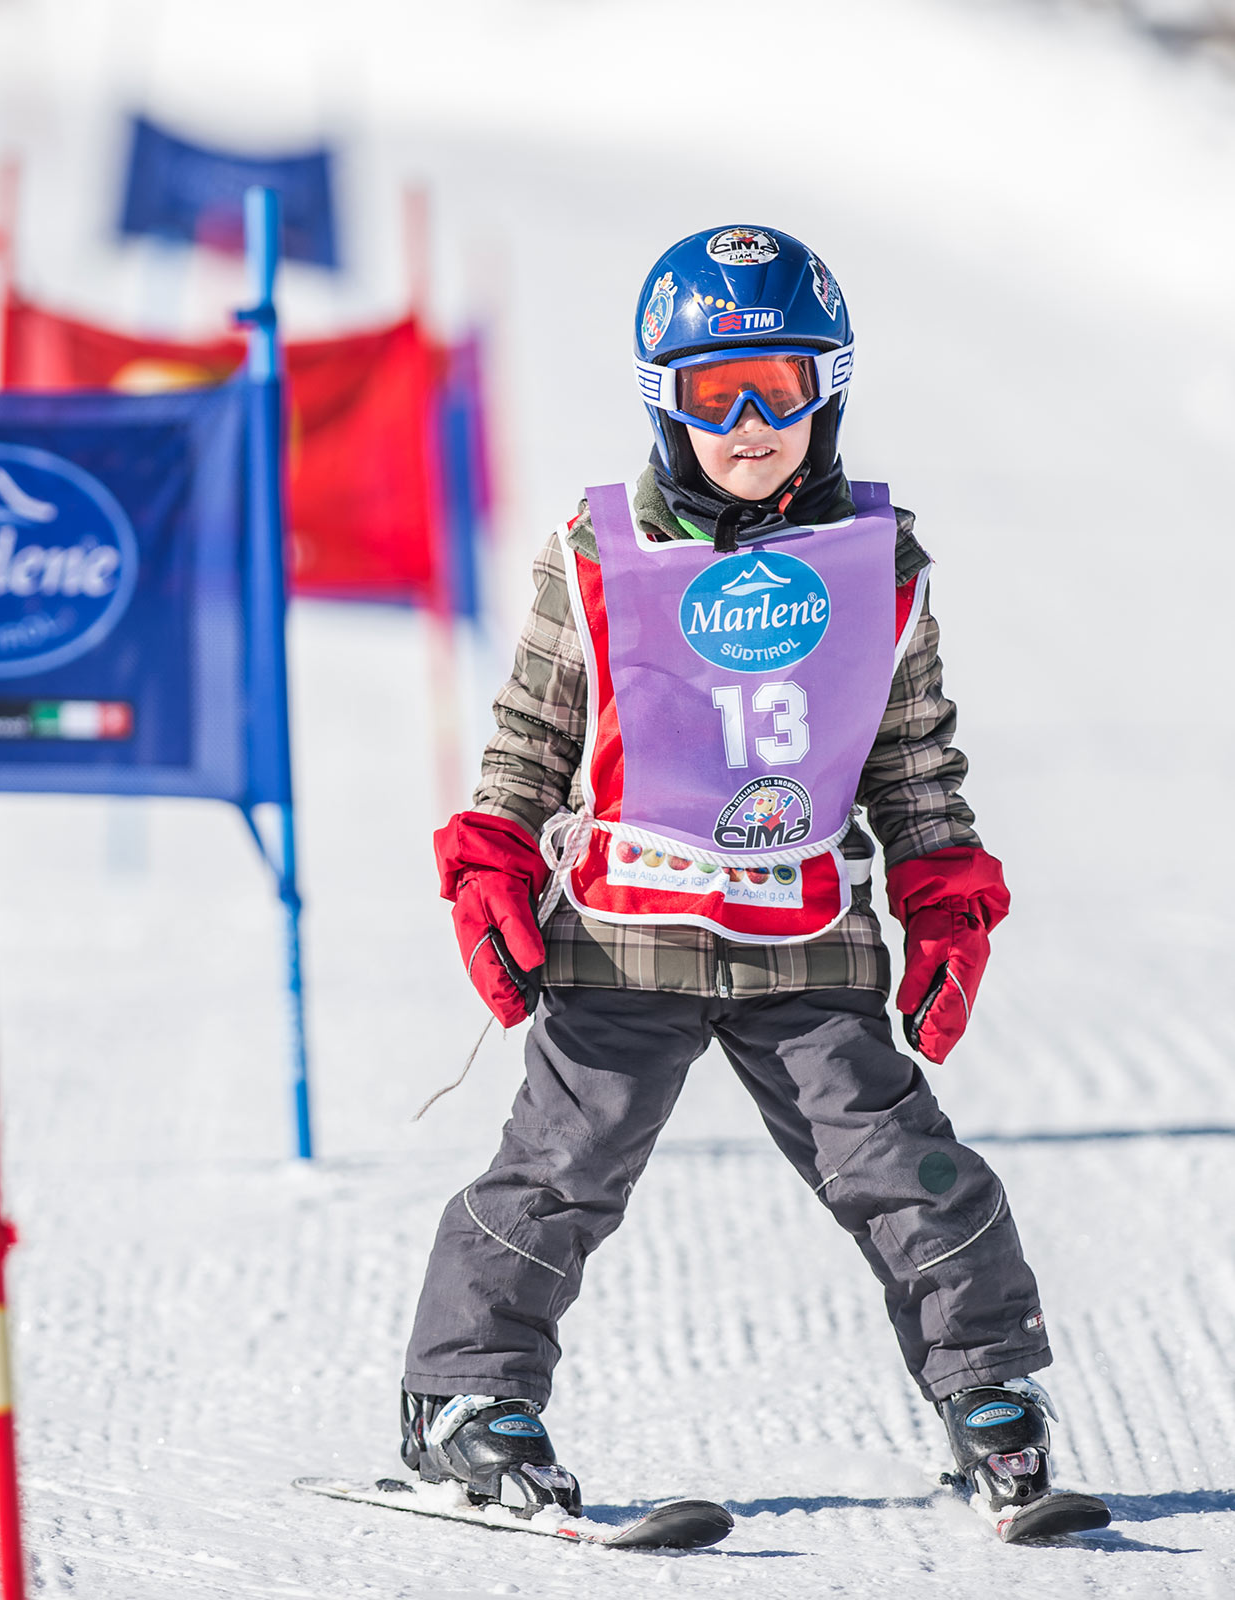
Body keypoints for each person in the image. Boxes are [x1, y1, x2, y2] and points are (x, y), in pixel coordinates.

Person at [402, 224, 1100, 1536]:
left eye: (780, 388)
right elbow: (533, 735)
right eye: (716, 392)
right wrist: (493, 853)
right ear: (664, 398)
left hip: (804, 935)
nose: (751, 426)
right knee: (562, 1165)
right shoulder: (598, 552)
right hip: (626, 930)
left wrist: (941, 887)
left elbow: (911, 755)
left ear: (827, 390)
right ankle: (467, 1401)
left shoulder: (876, 565)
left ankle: (990, 1395)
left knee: (903, 1164)